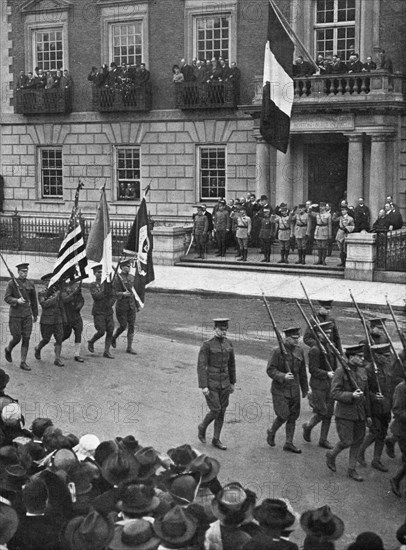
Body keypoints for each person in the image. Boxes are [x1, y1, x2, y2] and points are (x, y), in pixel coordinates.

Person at [327, 344, 372, 482]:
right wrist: (351, 395)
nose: (362, 358)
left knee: (358, 441)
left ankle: (351, 469)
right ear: (351, 357)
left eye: (362, 356)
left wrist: (368, 414)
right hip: (345, 413)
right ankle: (331, 454)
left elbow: (367, 396)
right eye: (359, 356)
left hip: (360, 413)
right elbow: (334, 393)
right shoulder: (341, 371)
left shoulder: (362, 371)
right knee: (346, 441)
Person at [266, 327, 309, 453]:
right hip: (280, 389)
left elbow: (302, 372)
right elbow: (270, 370)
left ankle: (289, 443)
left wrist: (305, 389)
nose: (296, 341)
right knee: (283, 414)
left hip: (294, 389)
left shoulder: (299, 351)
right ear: (286, 338)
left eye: (298, 338)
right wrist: (282, 376)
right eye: (294, 339)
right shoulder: (277, 351)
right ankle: (271, 431)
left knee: (293, 416)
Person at [197, 318, 236, 450]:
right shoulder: (207, 345)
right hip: (211, 382)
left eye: (225, 330)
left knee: (222, 411)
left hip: (225, 382)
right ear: (215, 329)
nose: (223, 332)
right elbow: (201, 366)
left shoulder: (229, 344)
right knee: (216, 409)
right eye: (221, 330)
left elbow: (232, 365)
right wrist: (203, 386)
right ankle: (202, 426)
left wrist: (232, 383)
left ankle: (216, 439)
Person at [358, 343, 395, 472]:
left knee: (383, 433)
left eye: (388, 355)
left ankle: (376, 460)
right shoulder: (368, 369)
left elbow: (391, 386)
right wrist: (374, 397)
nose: (387, 357)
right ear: (377, 356)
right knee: (375, 432)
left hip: (386, 406)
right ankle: (360, 451)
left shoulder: (389, 367)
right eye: (385, 355)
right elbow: (364, 390)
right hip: (374, 407)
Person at [303, 322, 338, 449]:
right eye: (325, 333)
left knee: (329, 413)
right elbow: (312, 369)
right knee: (322, 411)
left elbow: (335, 365)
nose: (327, 335)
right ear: (318, 334)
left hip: (330, 384)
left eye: (329, 333)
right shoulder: (315, 349)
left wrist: (335, 376)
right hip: (318, 385)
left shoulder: (331, 346)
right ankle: (308, 426)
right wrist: (326, 373)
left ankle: (323, 439)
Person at [4, 263, 38, 371]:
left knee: (26, 338)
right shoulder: (12, 283)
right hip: (15, 315)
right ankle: (8, 349)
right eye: (22, 271)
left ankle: (23, 362)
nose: (24, 273)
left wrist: (35, 314)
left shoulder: (31, 283)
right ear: (18, 272)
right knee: (17, 337)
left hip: (27, 314)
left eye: (26, 271)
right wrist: (17, 300)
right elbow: (7, 298)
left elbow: (34, 300)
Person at [34, 273, 66, 367]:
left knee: (59, 339)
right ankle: (38, 348)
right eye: (49, 281)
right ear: (45, 282)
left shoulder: (57, 291)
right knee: (46, 339)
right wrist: (56, 296)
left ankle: (57, 359)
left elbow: (61, 305)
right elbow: (44, 304)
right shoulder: (42, 292)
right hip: (47, 319)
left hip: (58, 319)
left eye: (52, 280)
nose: (51, 283)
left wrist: (64, 318)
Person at [87, 265, 116, 359]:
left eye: (102, 272)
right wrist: (104, 289)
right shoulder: (93, 285)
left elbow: (113, 295)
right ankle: (91, 341)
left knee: (110, 330)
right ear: (94, 274)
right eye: (98, 272)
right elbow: (96, 296)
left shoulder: (108, 283)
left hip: (108, 311)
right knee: (101, 331)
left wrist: (110, 304)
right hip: (98, 311)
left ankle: (106, 351)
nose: (100, 274)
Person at [111, 259, 138, 354]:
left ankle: (129, 347)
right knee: (123, 325)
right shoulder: (117, 278)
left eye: (129, 266)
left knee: (131, 326)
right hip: (121, 305)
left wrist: (137, 304)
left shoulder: (132, 277)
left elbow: (135, 292)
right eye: (126, 266)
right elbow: (113, 293)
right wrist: (122, 293)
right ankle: (113, 338)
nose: (128, 268)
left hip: (131, 305)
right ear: (121, 267)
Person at [61, 280, 85, 363]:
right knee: (66, 334)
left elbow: (81, 300)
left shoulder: (75, 286)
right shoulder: (62, 287)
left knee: (78, 333)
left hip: (76, 315)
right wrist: (75, 293)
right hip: (67, 315)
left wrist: (79, 306)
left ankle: (77, 354)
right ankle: (58, 343)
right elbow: (65, 300)